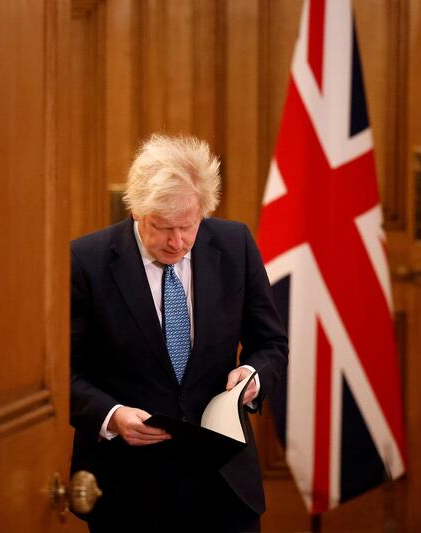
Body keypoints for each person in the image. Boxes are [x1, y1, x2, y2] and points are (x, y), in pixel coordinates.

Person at [69, 134, 288, 531]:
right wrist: (111, 415)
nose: (177, 241)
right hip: (129, 487)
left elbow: (270, 342)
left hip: (224, 483)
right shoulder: (87, 261)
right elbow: (64, 372)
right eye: (162, 227)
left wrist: (252, 377)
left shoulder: (234, 244)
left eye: (188, 226)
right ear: (136, 211)